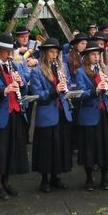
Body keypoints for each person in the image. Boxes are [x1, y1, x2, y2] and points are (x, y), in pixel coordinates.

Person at [0, 33, 30, 199]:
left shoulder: (13, 66)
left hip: (15, 112)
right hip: (0, 114)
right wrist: (3, 90)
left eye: (11, 51)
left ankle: (7, 182)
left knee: (11, 149)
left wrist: (21, 84)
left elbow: (22, 90)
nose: (10, 54)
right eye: (7, 51)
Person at [74, 41, 108, 190]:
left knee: (105, 145)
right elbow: (80, 94)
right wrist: (95, 90)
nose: (96, 57)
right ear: (87, 56)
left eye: (98, 54)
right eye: (93, 54)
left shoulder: (105, 68)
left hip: (105, 112)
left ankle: (105, 178)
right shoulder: (81, 71)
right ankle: (88, 179)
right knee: (89, 147)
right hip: (90, 113)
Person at [30, 38, 73, 192]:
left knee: (59, 145)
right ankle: (44, 179)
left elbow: (68, 84)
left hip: (62, 111)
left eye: (56, 52)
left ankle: (56, 176)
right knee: (47, 147)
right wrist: (53, 91)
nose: (54, 55)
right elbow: (37, 94)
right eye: (52, 52)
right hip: (47, 112)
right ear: (45, 53)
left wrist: (65, 86)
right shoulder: (37, 71)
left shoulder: (63, 67)